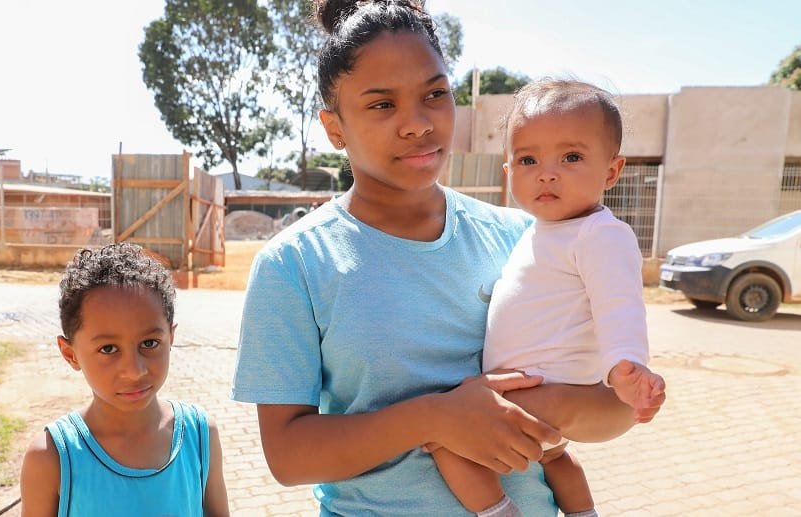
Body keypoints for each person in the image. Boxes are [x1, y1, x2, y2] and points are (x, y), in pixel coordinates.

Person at [232, 1, 664, 515]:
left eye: (434, 94)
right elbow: (288, 456)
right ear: (333, 126)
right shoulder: (296, 263)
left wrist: (562, 408)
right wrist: (434, 418)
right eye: (381, 104)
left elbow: (613, 409)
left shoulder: (526, 237)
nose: (417, 124)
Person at [431, 79, 667, 517]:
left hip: (548, 390)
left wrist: (625, 369)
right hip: (538, 392)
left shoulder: (601, 234)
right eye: (528, 159)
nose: (546, 172)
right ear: (508, 172)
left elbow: (620, 306)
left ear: (612, 172)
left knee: (447, 439)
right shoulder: (538, 231)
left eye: (571, 157)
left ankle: (499, 512)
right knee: (556, 458)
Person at [20, 243, 229, 517]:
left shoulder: (199, 435)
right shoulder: (53, 459)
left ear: (171, 338)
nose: (135, 371)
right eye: (108, 349)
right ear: (70, 354)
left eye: (150, 343)